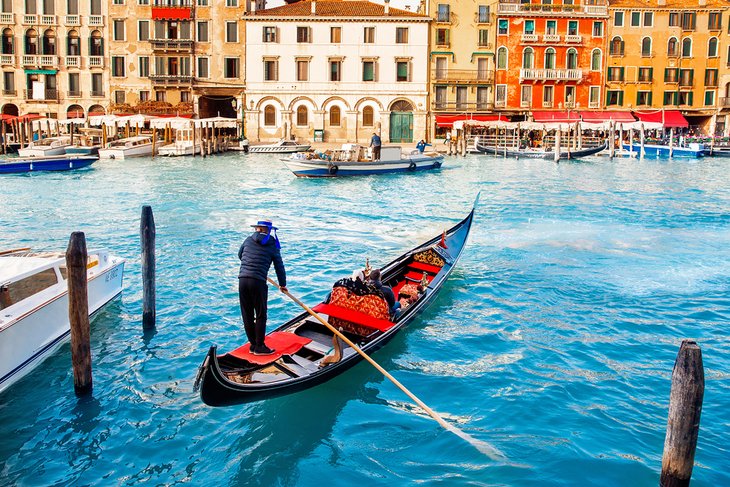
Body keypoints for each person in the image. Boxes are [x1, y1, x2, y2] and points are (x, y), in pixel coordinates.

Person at [238, 219, 287, 355]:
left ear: (258, 229)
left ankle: (253, 345)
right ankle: (260, 346)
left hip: (242, 279)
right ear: (269, 230)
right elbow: (279, 266)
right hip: (257, 281)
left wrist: (251, 266)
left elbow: (240, 255)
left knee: (247, 314)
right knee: (260, 314)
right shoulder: (272, 244)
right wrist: (282, 284)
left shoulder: (248, 240)